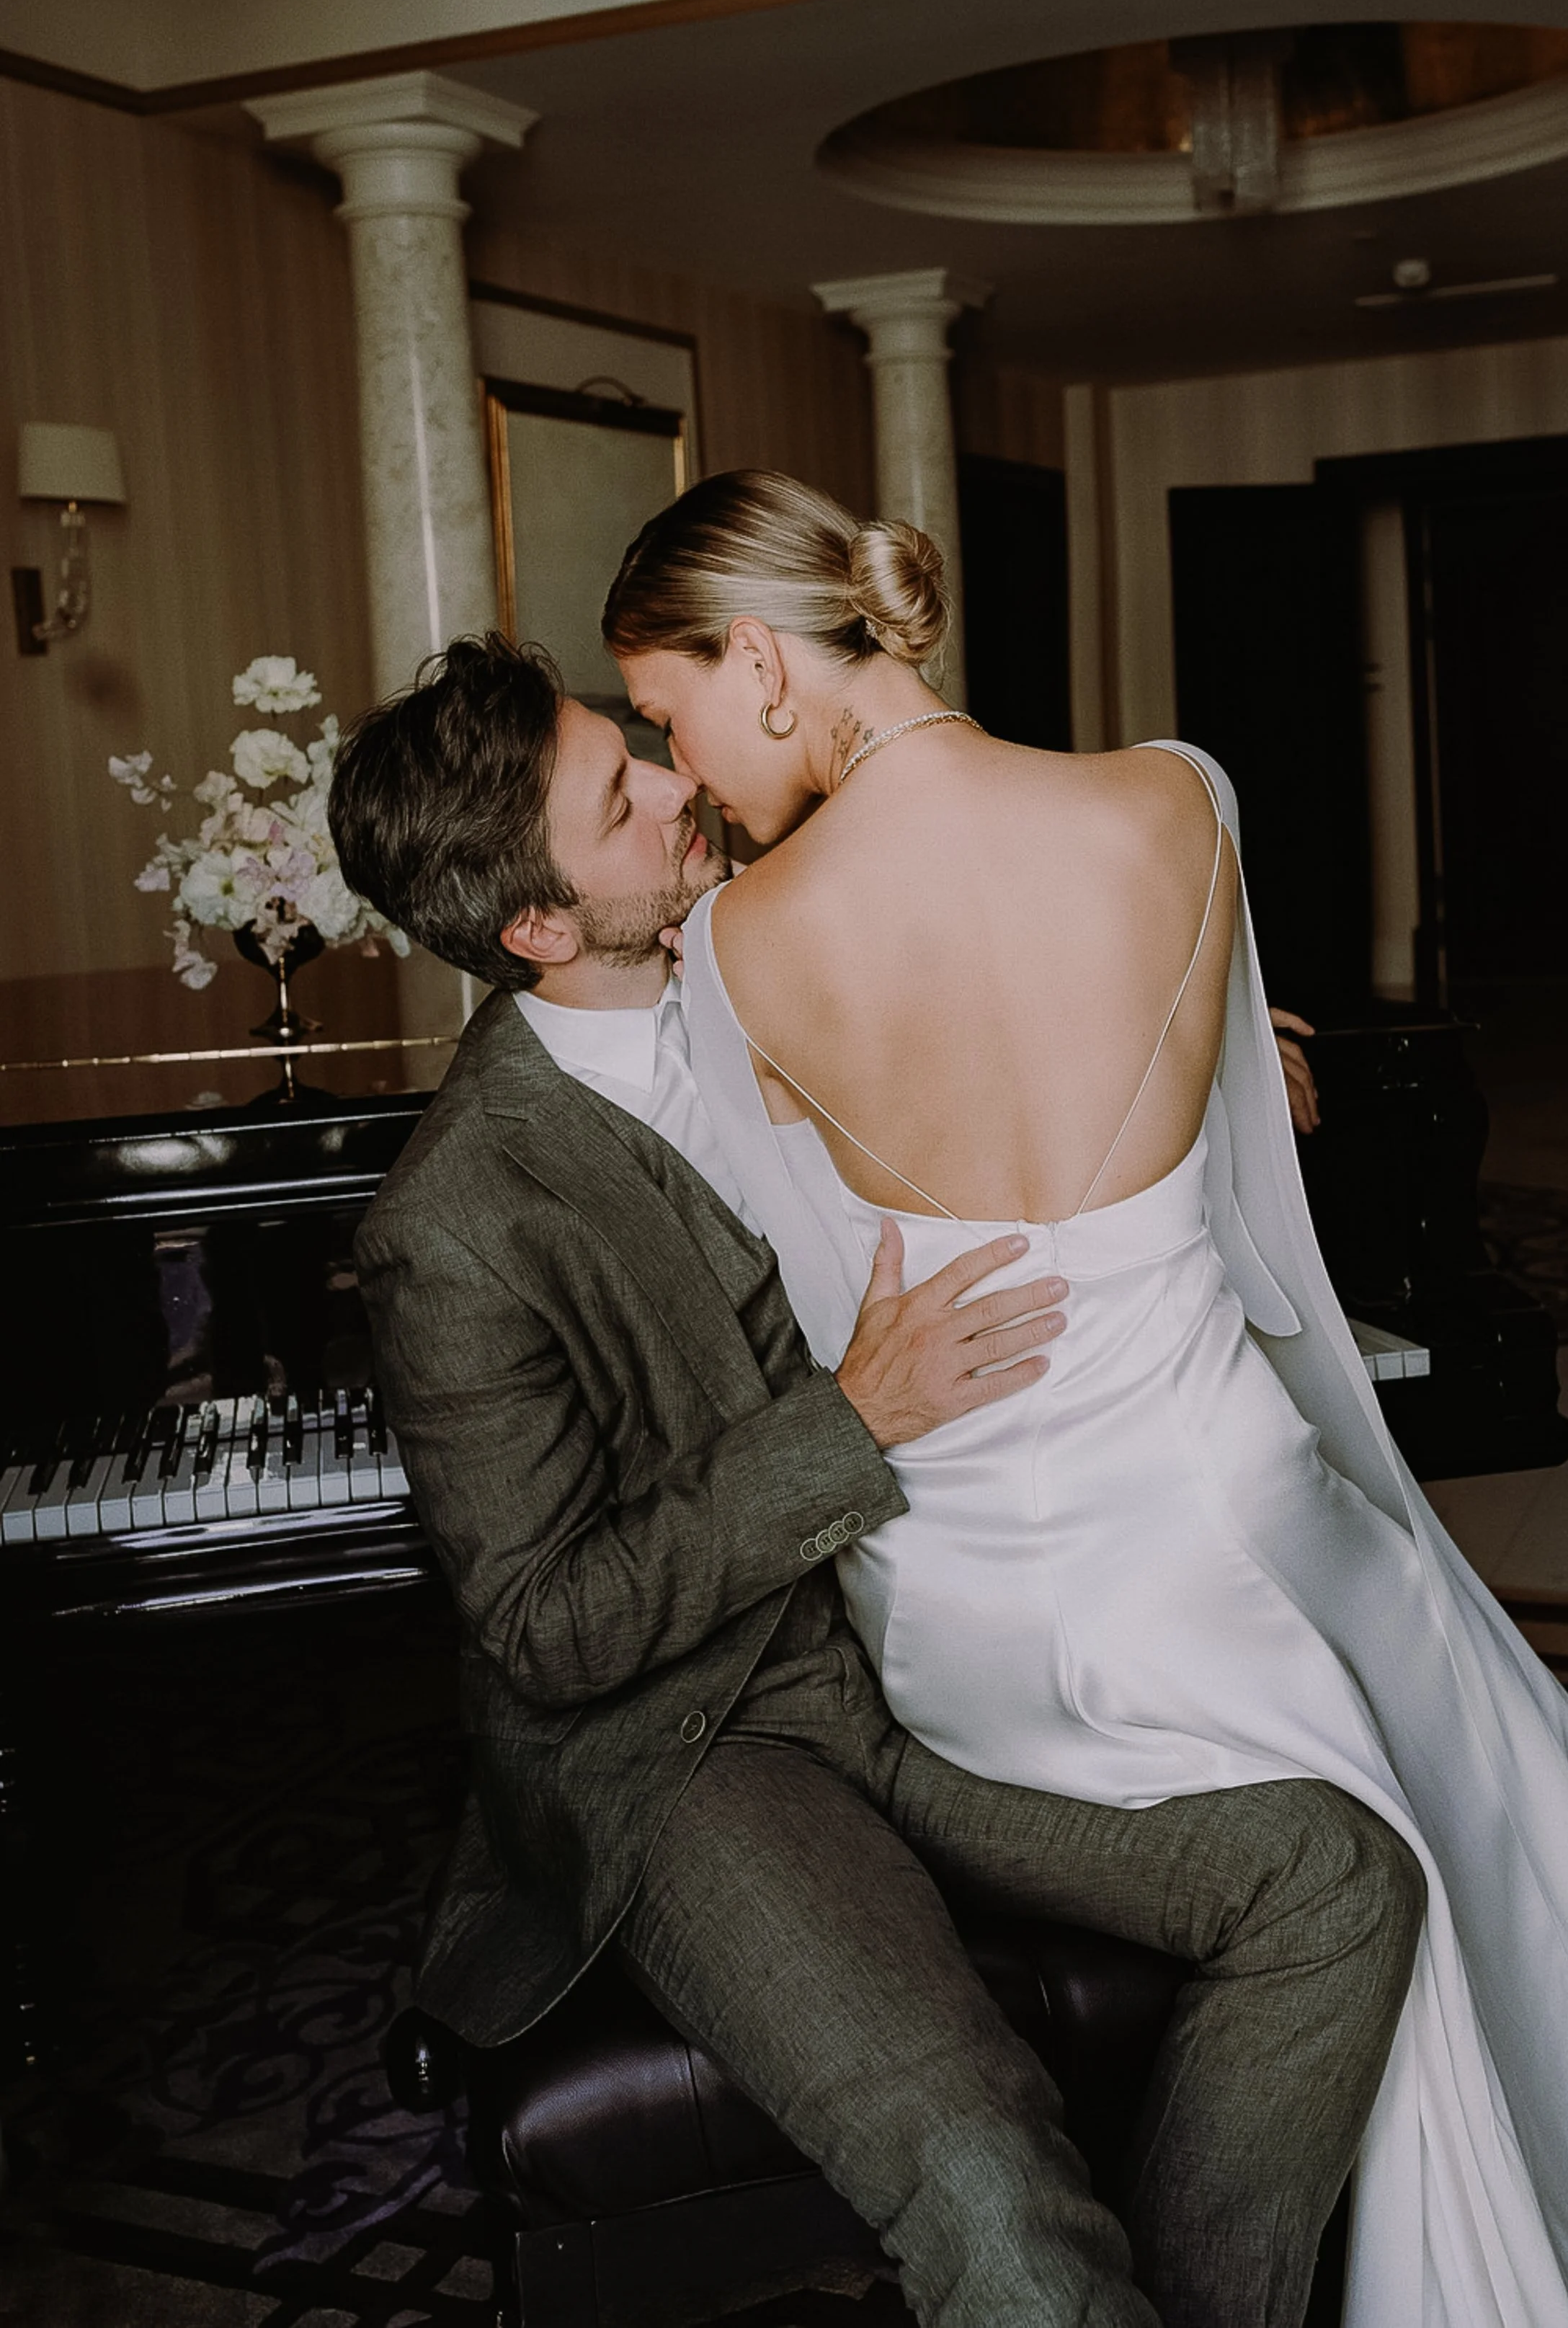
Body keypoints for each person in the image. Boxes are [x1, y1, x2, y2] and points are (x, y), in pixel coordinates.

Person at [602, 467, 1568, 2328]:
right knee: (1452, 1707)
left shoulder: (740, 949)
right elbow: (1245, 1208)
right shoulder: (1172, 797)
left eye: (664, 712)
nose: (676, 772)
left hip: (993, 1606)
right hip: (1244, 1496)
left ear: (758, 659)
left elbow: (839, 1324)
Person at [327, 634, 1423, 2328]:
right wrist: (846, 1422)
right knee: (982, 2169)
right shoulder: (456, 1221)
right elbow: (544, 1626)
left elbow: (1049, 1069)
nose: (679, 780)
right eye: (619, 797)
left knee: (1338, 1886)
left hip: (935, 1658)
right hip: (701, 1750)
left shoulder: (793, 948)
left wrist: (1211, 1079)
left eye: (641, 744)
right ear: (535, 925)